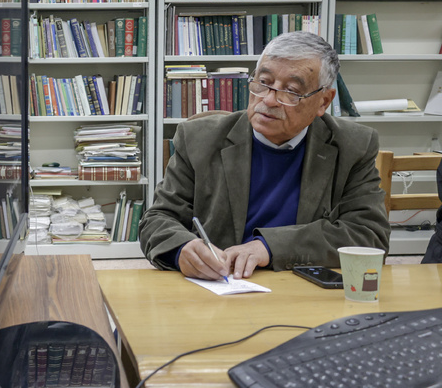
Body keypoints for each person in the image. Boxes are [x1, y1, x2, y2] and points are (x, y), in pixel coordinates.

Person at [139, 31, 390, 281]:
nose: (269, 100)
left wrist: (269, 247)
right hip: (219, 287)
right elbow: (158, 219)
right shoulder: (198, 139)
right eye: (263, 82)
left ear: (323, 101)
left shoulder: (353, 146)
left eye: (291, 91)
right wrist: (182, 249)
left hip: (301, 287)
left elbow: (368, 235)